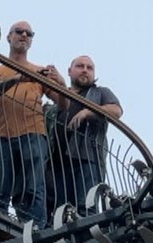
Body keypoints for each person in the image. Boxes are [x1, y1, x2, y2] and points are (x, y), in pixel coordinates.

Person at [0, 21, 64, 227]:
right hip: (3, 137)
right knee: (0, 189)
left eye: (29, 33)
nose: (24, 35)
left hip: (34, 135)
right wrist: (18, 79)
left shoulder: (39, 71)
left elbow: (63, 104)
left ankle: (35, 231)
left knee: (33, 188)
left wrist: (62, 83)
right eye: (19, 31)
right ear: (9, 37)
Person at [52, 55, 122, 211]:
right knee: (58, 212)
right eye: (80, 66)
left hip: (87, 160)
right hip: (58, 164)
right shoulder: (61, 97)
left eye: (89, 68)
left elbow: (116, 110)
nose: (85, 70)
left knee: (86, 208)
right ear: (69, 71)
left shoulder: (100, 92)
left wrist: (87, 112)